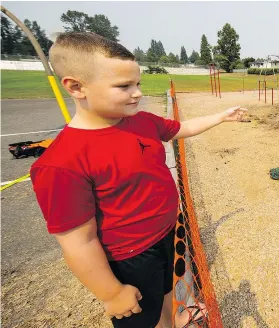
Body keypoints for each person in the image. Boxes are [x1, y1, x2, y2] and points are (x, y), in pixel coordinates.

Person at [30, 32, 246, 328]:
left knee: (168, 291)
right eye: (124, 86)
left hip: (168, 232)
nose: (137, 94)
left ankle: (177, 318)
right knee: (145, 318)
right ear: (77, 86)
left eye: (137, 84)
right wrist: (111, 292)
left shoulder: (143, 122)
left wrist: (222, 116)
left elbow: (183, 127)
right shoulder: (61, 163)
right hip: (130, 257)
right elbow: (79, 242)